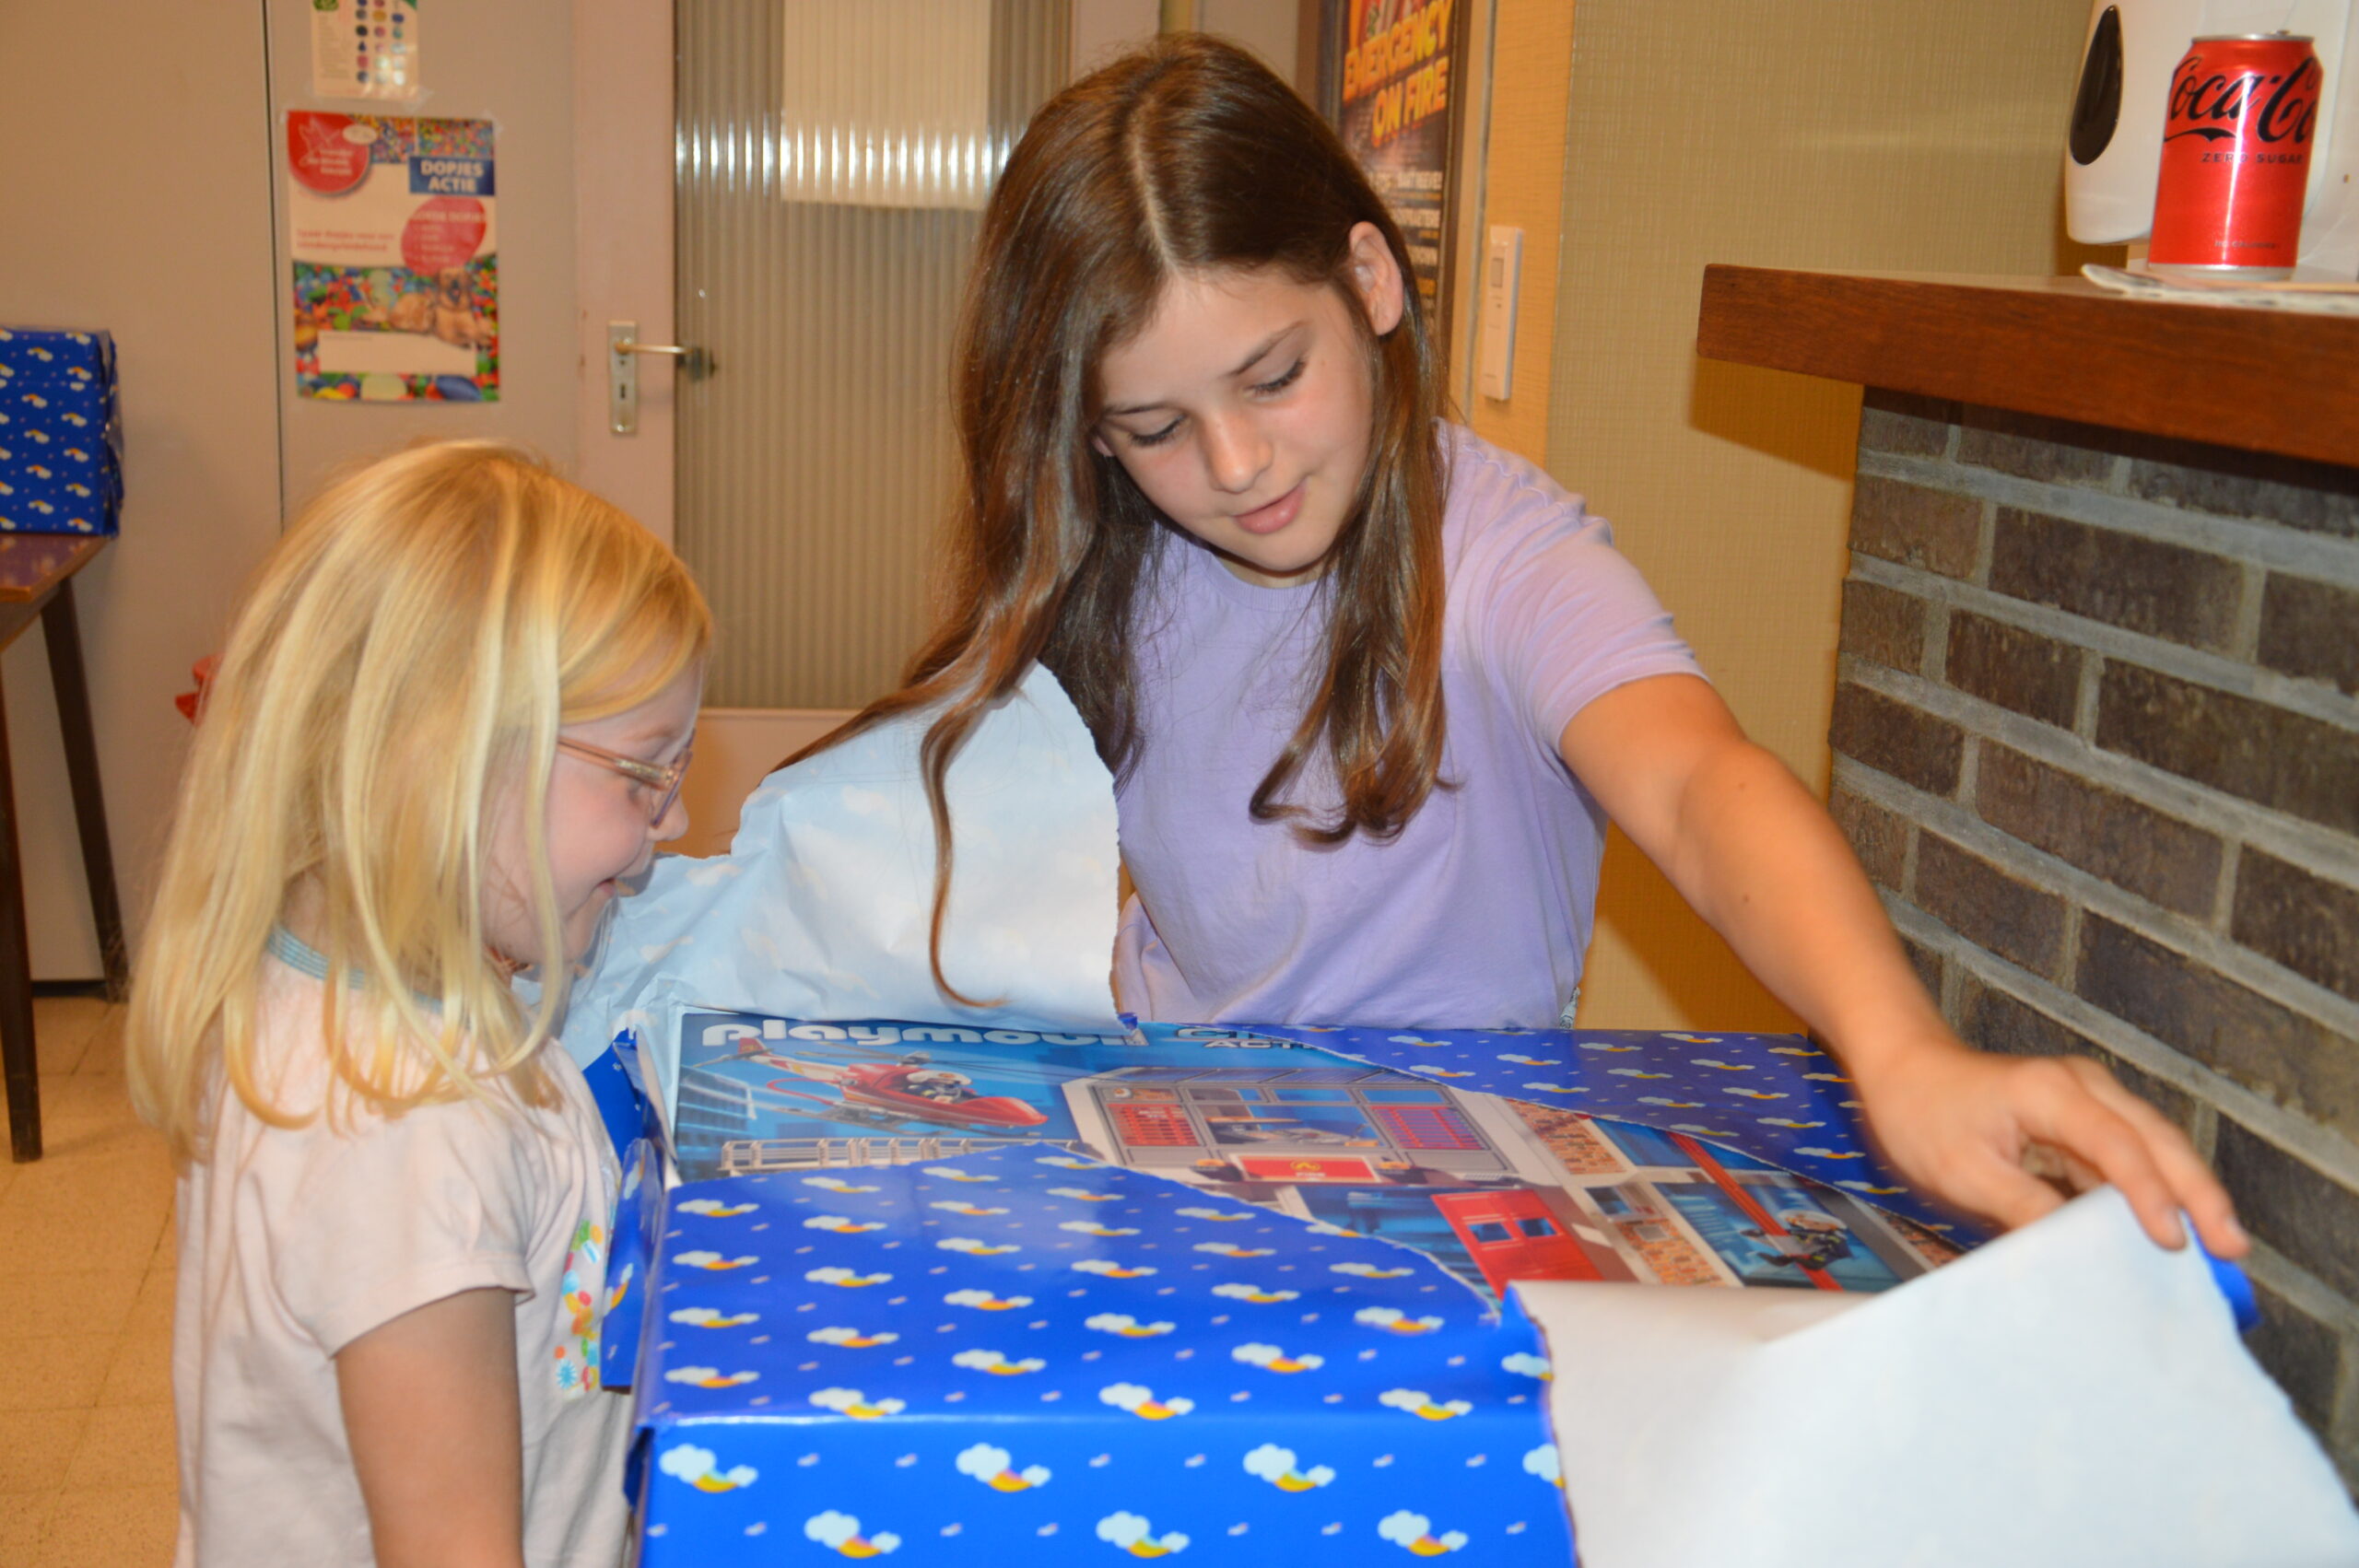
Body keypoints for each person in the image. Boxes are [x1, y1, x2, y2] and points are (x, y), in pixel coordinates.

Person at [804, 35, 2243, 1259]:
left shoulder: (1504, 557)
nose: (1235, 466)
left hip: (1441, 1196)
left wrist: (1902, 1048)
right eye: (1157, 427)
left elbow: (1699, 785)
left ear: (1371, 280)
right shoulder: (1109, 556)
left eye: (1274, 376)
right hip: (1163, 1147)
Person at [125, 442, 710, 1567]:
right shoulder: (412, 1134)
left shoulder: (316, 984)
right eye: (645, 772)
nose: (675, 819)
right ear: (442, 764)